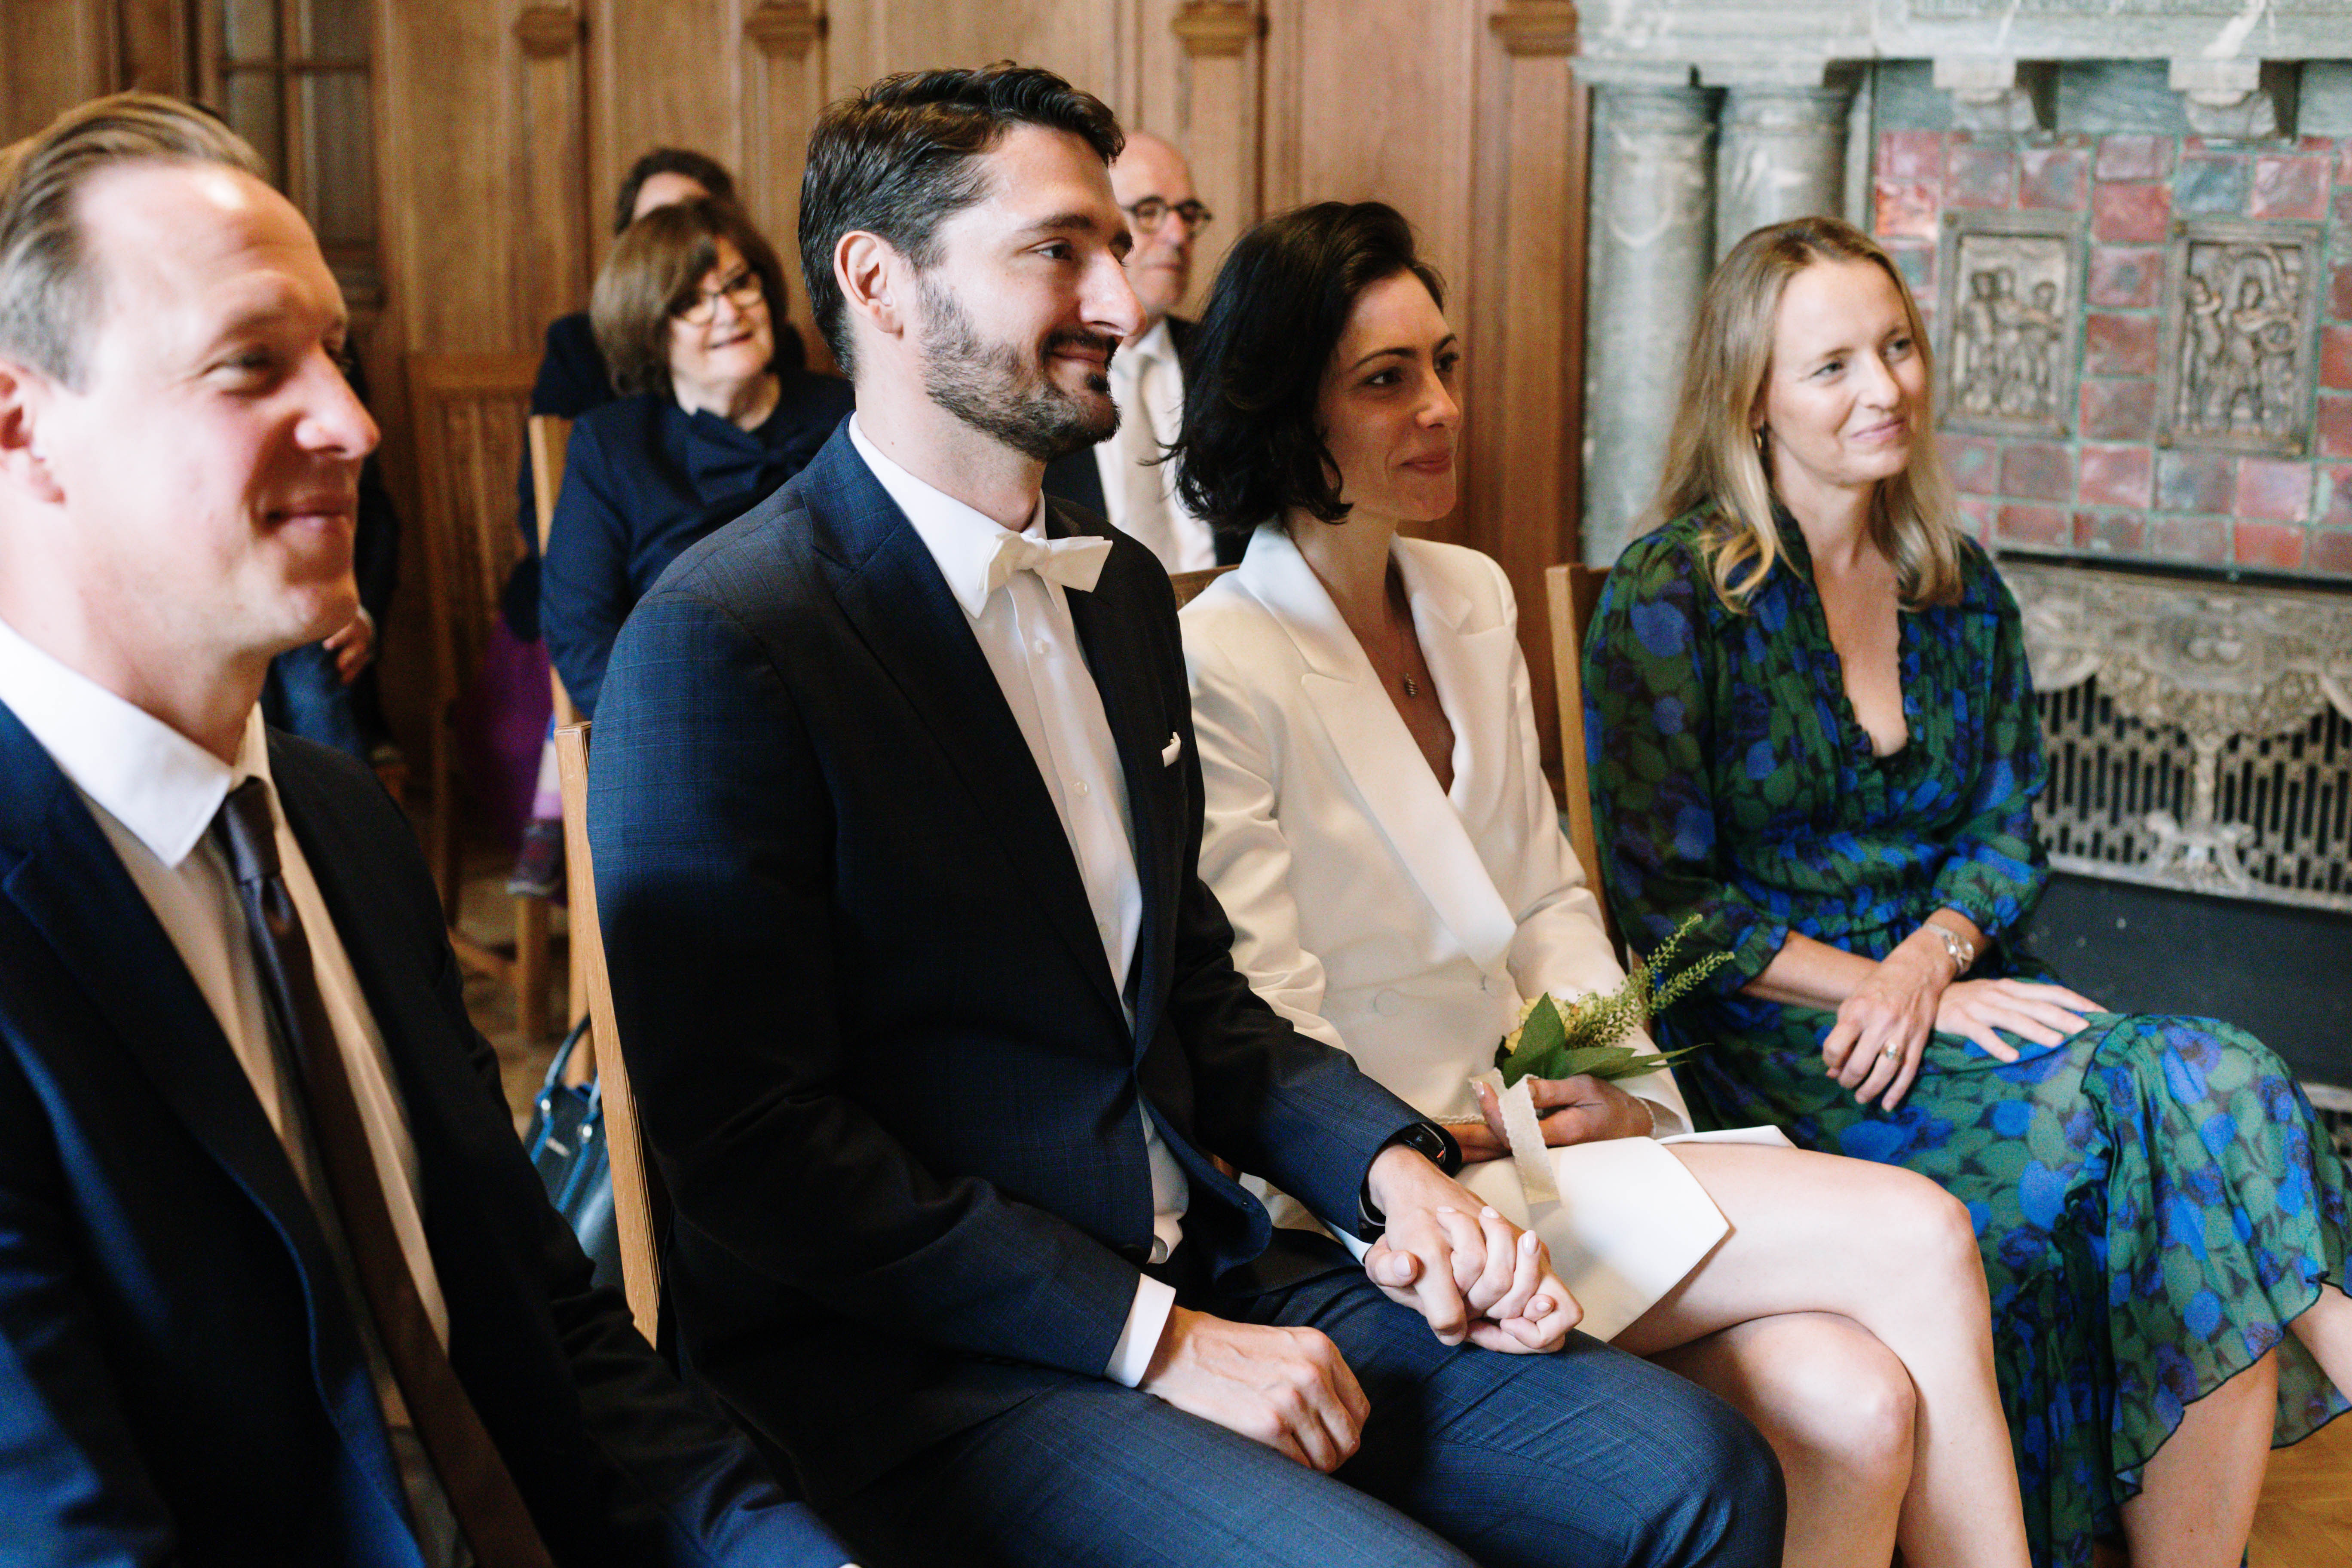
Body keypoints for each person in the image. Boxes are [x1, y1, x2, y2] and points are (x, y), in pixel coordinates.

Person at [589, 63, 1782, 1568]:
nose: (1120, 299)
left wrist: (1396, 1175)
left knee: (1701, 1471)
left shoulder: (1121, 599)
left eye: (1117, 245)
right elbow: (752, 1148)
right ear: (879, 284)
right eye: (1057, 251)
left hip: (1210, 1256)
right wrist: (1152, 1341)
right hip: (926, 1367)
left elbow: (1201, 1003)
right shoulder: (725, 634)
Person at [0, 93, 851, 1568]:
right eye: (252, 363)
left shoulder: (338, 824)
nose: (355, 421)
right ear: (23, 424)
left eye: (333, 350)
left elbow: (546, 1317)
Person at [1173, 199, 2030, 1568]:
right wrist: (1423, 1167)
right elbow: (1265, 1016)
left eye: (1444, 364)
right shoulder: (1222, 657)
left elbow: (1550, 905)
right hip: (1393, 1207)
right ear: (1286, 411)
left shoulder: (1467, 596)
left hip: (1559, 1147)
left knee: (1860, 1404)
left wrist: (1618, 1088)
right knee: (1923, 1232)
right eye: (1386, 380)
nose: (1440, 407)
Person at [1583, 214, 2352, 1568]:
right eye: (1833, 366)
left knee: (2205, 1102)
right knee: (2201, 1091)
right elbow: (1669, 915)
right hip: (1788, 1046)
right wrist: (1886, 990)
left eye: (1897, 347)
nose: (1883, 387)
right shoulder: (1674, 592)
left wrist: (1930, 965)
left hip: (1956, 1005)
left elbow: (2004, 838)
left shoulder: (1954, 581)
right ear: (1751, 399)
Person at [540, 196, 850, 719]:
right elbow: (581, 632)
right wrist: (665, 729)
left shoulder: (849, 411)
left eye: (739, 284)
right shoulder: (613, 445)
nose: (728, 312)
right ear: (650, 327)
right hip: (686, 717)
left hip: (846, 709)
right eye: (691, 302)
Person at [1041, 130, 1234, 571]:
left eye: (1188, 214)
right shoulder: (1038, 372)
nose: (1178, 234)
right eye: (1150, 212)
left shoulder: (1228, 361)